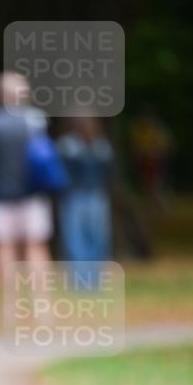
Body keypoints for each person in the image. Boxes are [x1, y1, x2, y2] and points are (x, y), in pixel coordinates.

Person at [0, 72, 52, 284]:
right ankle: (41, 301)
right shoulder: (37, 119)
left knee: (3, 246)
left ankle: (10, 302)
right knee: (36, 246)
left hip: (1, 195)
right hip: (34, 194)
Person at [56, 116, 113, 284]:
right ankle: (94, 279)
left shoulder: (66, 146)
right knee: (96, 237)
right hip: (96, 196)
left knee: (76, 238)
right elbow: (108, 173)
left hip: (75, 196)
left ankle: (81, 279)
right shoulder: (102, 146)